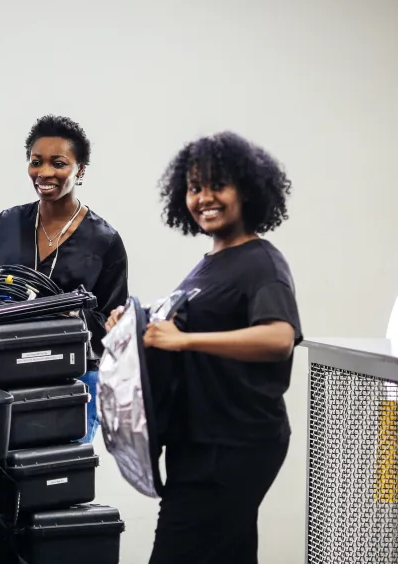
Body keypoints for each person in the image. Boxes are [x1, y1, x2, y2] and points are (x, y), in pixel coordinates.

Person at [106, 132, 301, 564]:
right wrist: (133, 325)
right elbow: (179, 330)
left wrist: (184, 338)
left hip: (234, 443)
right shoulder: (209, 264)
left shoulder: (261, 262)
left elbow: (279, 337)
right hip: (200, 440)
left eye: (218, 185)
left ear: (247, 191)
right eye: (195, 188)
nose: (204, 198)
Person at [0, 115, 129, 443]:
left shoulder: (104, 240)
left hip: (74, 380)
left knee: (56, 474)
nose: (44, 173)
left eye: (58, 163)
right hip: (7, 375)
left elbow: (115, 328)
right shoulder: (7, 223)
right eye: (36, 162)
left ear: (80, 169)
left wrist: (66, 313)